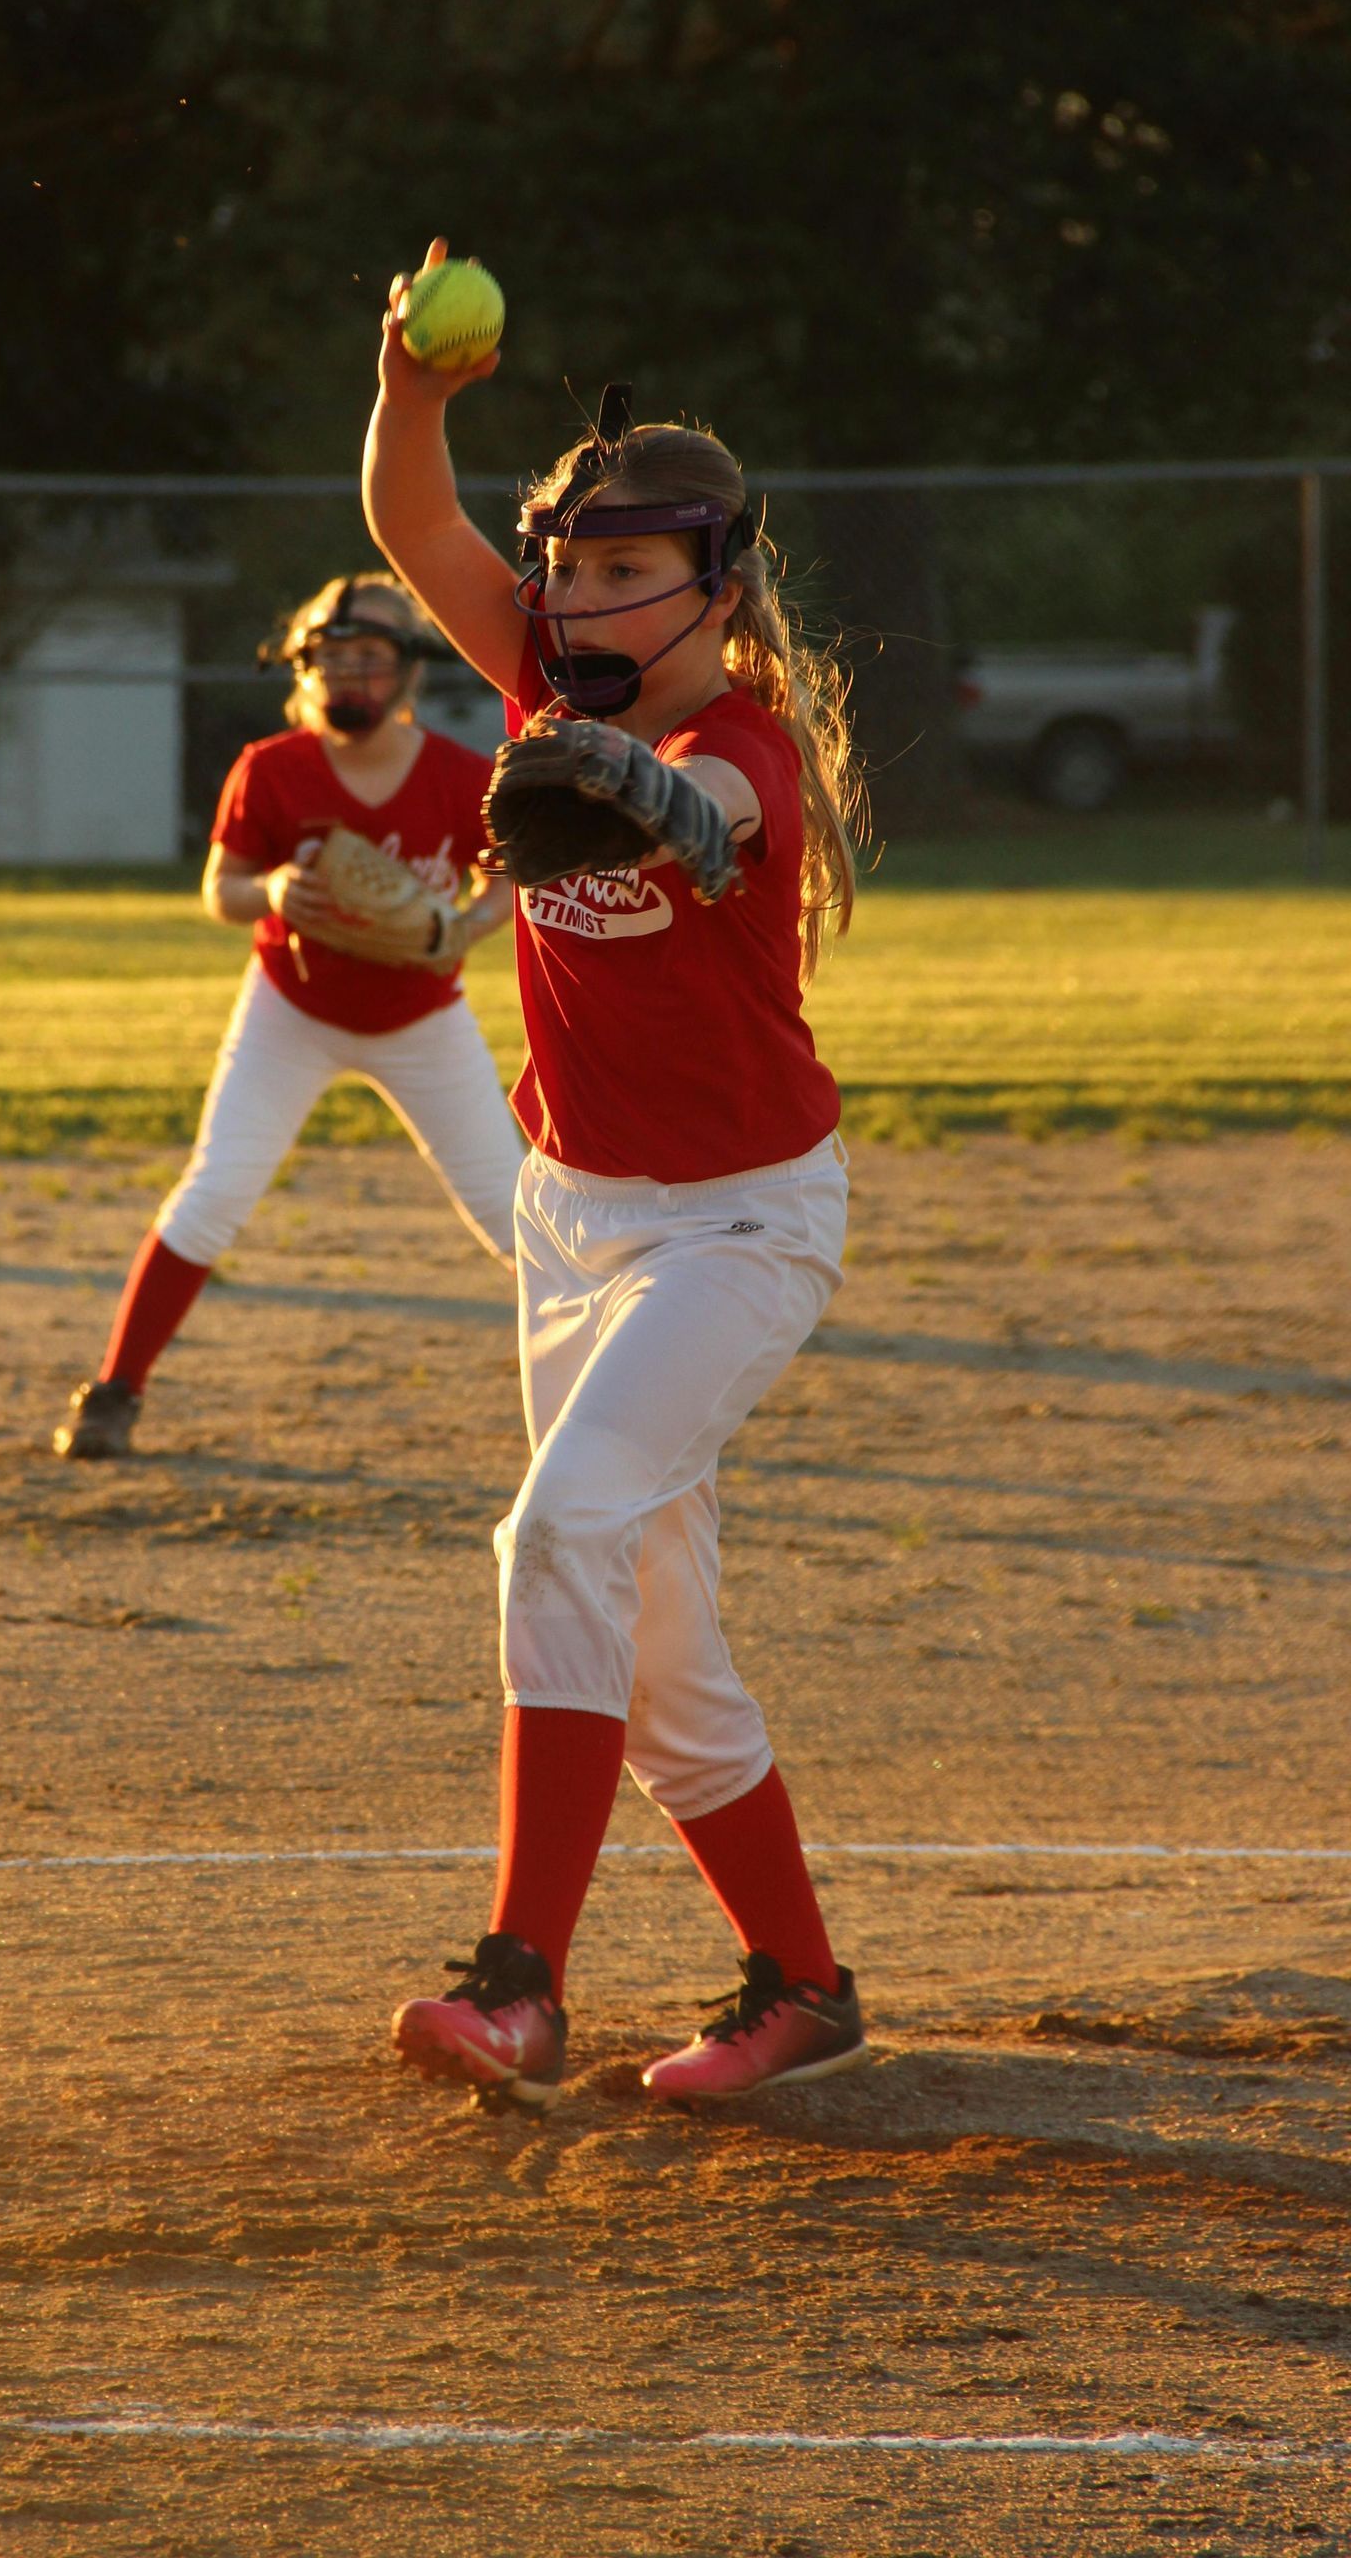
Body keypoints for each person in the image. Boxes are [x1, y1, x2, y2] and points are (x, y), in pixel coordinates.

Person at [363, 239, 869, 2111]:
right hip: (573, 1222)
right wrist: (415, 387)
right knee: (654, 1651)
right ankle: (802, 1991)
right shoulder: (532, 670)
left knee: (559, 1531)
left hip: (741, 1224)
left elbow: (721, 816)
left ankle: (519, 1989)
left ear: (719, 591)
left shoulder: (736, 737)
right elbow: (412, 524)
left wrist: (639, 788)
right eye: (567, 562)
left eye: (626, 569)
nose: (576, 595)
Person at [55, 572, 522, 1461]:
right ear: (304, 669)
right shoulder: (272, 767)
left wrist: (467, 924)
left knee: (511, 1213)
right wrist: (268, 888)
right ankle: (116, 1389)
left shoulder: (462, 777)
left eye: (371, 659)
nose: (351, 678)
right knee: (216, 1190)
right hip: (292, 1006)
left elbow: (501, 879)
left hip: (422, 1014)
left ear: (409, 669)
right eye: (332, 659)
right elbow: (219, 891)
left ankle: (598, 1397)